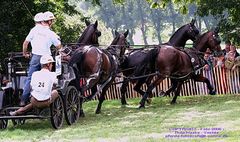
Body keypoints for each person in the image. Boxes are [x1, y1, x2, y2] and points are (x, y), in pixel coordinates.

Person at [21, 11, 62, 106]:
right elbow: (59, 46)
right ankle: (48, 96)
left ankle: (23, 100)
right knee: (49, 76)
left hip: (35, 57)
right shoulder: (51, 33)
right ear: (50, 21)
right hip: (46, 59)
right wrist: (57, 48)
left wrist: (25, 53)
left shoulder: (34, 30)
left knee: (30, 78)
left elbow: (25, 43)